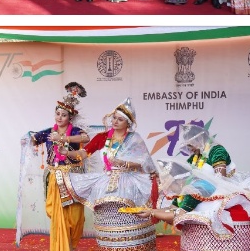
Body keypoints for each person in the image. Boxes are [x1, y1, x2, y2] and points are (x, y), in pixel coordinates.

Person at [64, 99, 158, 251]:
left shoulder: (134, 138)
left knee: (131, 219)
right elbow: (84, 153)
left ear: (128, 123)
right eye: (114, 117)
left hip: (129, 184)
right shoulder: (103, 137)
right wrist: (67, 153)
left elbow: (144, 162)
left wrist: (124, 163)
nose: (115, 121)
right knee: (107, 221)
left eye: (120, 119)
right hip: (106, 183)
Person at [23, 83, 91, 251]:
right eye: (58, 113)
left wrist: (64, 140)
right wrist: (26, 140)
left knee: (75, 216)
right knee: (57, 215)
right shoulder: (48, 132)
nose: (60, 117)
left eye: (64, 115)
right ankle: (61, 247)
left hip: (72, 177)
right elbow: (32, 140)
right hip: (54, 177)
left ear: (70, 118)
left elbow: (86, 138)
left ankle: (71, 245)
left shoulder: (75, 131)